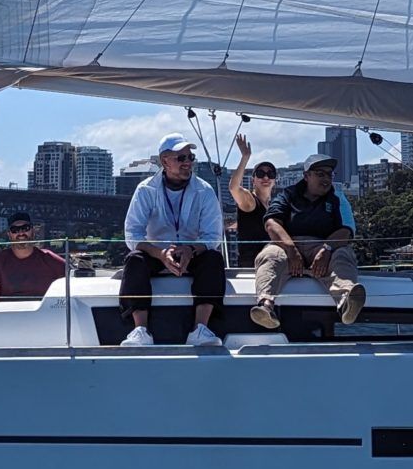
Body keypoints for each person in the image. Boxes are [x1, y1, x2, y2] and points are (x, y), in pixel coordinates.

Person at [118, 135, 227, 348]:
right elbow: (132, 234)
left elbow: (213, 235)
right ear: (165, 161)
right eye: (181, 157)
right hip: (156, 253)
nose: (188, 162)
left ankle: (200, 329)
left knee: (213, 259)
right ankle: (140, 330)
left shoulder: (204, 190)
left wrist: (190, 249)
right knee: (134, 260)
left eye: (190, 157)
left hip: (192, 252)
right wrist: (159, 253)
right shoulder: (146, 190)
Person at [250, 154, 367, 332]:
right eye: (320, 174)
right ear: (306, 176)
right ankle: (265, 305)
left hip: (323, 248)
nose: (326, 178)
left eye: (329, 174)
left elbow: (347, 230)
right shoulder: (287, 195)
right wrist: (291, 250)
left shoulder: (337, 198)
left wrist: (326, 249)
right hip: (288, 245)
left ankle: (346, 300)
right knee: (270, 255)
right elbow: (271, 222)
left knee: (343, 253)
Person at [0, 210, 66, 299]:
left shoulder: (50, 259)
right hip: (9, 312)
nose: (21, 233)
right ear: (9, 234)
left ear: (33, 231)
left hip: (42, 312)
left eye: (25, 228)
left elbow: (72, 278)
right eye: (15, 230)